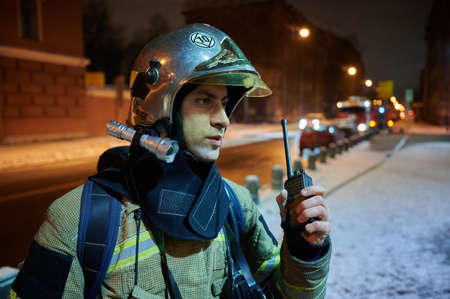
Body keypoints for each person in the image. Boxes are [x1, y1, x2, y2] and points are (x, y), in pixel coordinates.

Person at [11, 23, 331, 298]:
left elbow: (286, 293)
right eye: (204, 100)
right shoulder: (76, 222)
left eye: (223, 104)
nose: (223, 120)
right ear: (158, 108)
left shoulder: (236, 204)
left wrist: (305, 250)